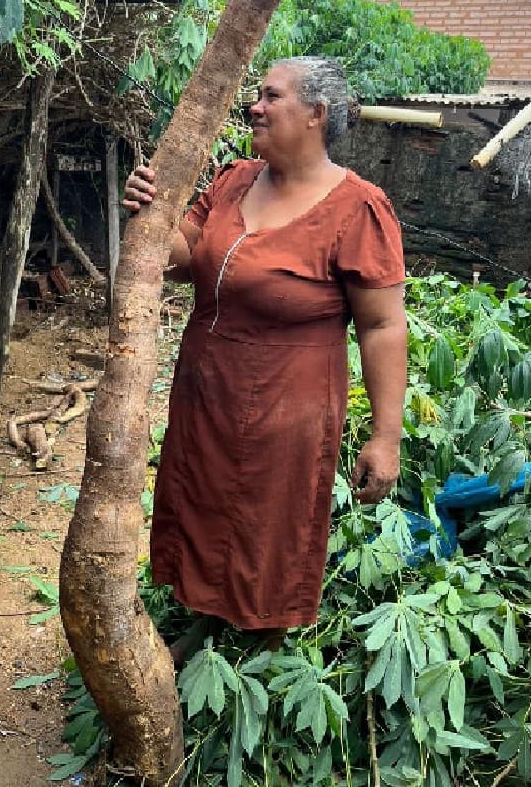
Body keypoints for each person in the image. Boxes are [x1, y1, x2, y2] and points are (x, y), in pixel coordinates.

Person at [122, 56, 408, 660]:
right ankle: (206, 620)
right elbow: (183, 257)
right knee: (200, 500)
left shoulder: (357, 207)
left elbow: (382, 326)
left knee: (268, 521)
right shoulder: (234, 181)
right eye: (258, 94)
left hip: (287, 404)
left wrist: (386, 438)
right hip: (207, 390)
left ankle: (263, 643)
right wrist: (151, 212)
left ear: (315, 114)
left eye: (271, 96)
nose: (255, 106)